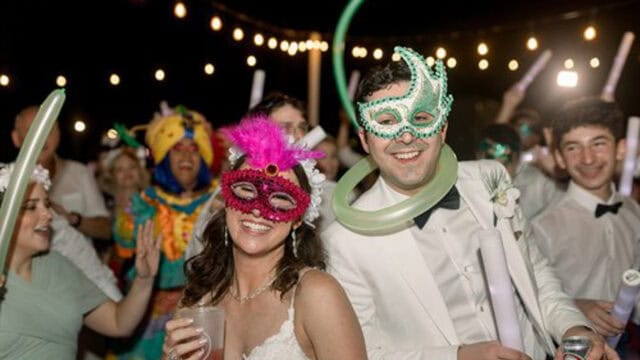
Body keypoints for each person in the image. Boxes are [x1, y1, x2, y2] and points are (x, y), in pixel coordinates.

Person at [323, 46, 617, 360]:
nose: (406, 136)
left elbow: (535, 274)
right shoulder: (345, 241)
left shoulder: (489, 180)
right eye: (386, 121)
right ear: (365, 139)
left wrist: (574, 328)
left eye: (421, 118)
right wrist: (457, 356)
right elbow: (362, 352)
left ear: (443, 128)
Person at [163, 116, 366, 360]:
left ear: (298, 219)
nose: (258, 210)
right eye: (246, 190)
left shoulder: (315, 295)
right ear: (226, 200)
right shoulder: (197, 299)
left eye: (280, 199)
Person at [0, 163, 159, 359]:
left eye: (47, 204)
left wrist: (144, 280)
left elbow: (118, 323)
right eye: (31, 207)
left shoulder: (57, 265)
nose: (47, 215)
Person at [531, 98, 640, 350]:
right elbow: (529, 299)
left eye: (598, 144)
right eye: (572, 148)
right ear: (559, 157)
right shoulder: (542, 227)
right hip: (573, 348)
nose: (588, 158)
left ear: (621, 149)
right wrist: (575, 307)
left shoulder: (634, 211)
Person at [108, 106, 216, 359]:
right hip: (148, 324)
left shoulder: (217, 200)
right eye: (178, 149)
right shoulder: (144, 203)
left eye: (194, 149)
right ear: (164, 155)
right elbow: (123, 251)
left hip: (205, 316)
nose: (187, 156)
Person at [185, 92, 313, 260]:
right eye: (285, 128)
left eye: (302, 128)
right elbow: (198, 256)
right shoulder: (234, 191)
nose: (298, 137)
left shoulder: (322, 191)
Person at [11, 105, 112, 242]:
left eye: (48, 129)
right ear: (16, 138)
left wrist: (72, 219)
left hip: (80, 261)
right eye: (33, 130)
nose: (42, 137)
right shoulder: (7, 180)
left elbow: (106, 229)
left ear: (59, 133)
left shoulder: (79, 172)